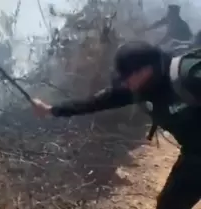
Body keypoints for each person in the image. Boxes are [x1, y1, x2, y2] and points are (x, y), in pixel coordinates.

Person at [32, 41, 201, 209]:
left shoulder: (189, 76)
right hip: (194, 156)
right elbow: (94, 103)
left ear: (144, 71)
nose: (124, 83)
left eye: (127, 77)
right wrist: (51, 110)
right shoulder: (140, 87)